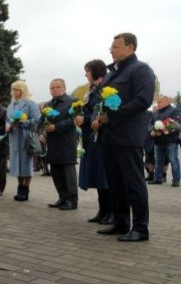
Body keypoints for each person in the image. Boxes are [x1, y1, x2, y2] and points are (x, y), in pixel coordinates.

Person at [94, 32, 155, 242]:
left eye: (116, 47)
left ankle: (140, 228)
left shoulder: (141, 70)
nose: (112, 51)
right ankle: (120, 223)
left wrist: (112, 117)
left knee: (134, 182)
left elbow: (143, 100)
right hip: (109, 137)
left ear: (130, 47)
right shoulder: (112, 74)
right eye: (111, 48)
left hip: (128, 137)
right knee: (115, 182)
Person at [74, 60, 112, 224]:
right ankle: (102, 210)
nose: (85, 74)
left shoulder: (105, 88)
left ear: (96, 71)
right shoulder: (91, 89)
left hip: (101, 137)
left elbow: (105, 112)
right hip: (91, 137)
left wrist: (86, 118)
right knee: (97, 175)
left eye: (87, 71)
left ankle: (111, 211)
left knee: (105, 176)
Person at [41, 78, 78, 210]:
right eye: (52, 88)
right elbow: (43, 122)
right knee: (55, 172)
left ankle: (72, 200)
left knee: (68, 173)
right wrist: (42, 133)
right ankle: (62, 198)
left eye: (57, 87)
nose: (54, 90)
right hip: (52, 143)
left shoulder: (72, 102)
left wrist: (56, 127)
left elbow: (74, 120)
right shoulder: (47, 105)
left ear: (64, 88)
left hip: (66, 142)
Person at [6, 80, 41, 201]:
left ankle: (25, 189)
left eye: (17, 89)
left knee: (26, 164)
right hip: (14, 138)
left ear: (23, 91)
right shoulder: (11, 105)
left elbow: (36, 120)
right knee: (16, 165)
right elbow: (7, 119)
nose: (14, 92)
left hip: (26, 137)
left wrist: (22, 122)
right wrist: (7, 125)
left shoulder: (31, 104)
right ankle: (20, 186)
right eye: (13, 89)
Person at [148, 95, 181, 187]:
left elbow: (175, 124)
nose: (158, 103)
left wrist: (160, 131)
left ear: (166, 102)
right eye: (157, 102)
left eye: (160, 102)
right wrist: (152, 130)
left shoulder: (173, 110)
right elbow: (150, 123)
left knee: (173, 160)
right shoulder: (155, 112)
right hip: (158, 141)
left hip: (171, 140)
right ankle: (157, 179)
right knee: (158, 160)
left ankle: (176, 179)